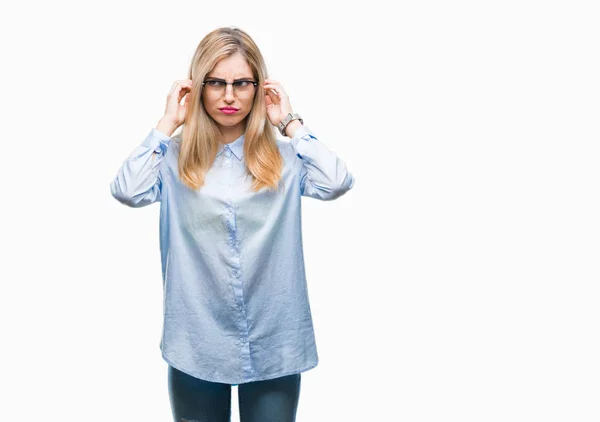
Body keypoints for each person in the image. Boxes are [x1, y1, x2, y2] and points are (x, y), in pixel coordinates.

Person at [109, 26, 355, 422]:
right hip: (197, 341)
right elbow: (127, 189)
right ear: (198, 86)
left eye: (242, 83)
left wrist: (290, 121)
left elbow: (337, 180)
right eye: (216, 83)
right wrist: (167, 122)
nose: (228, 95)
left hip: (273, 338)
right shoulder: (172, 159)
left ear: (259, 88)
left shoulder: (288, 159)